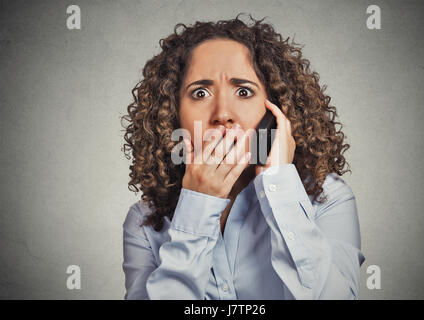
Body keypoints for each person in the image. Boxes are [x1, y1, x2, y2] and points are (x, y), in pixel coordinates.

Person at [120, 13, 365, 300]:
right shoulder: (145, 222)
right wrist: (197, 207)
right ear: (172, 114)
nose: (223, 113)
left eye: (243, 91)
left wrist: (279, 183)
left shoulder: (328, 198)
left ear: (277, 110)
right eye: (200, 93)